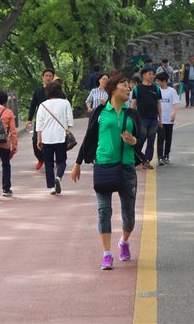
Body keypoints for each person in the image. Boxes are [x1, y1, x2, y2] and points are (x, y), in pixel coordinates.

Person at [70, 74, 145, 270]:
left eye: (129, 87)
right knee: (104, 211)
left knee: (128, 214)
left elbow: (142, 138)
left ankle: (124, 242)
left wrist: (134, 141)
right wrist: (78, 163)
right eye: (124, 85)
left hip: (127, 167)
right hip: (102, 165)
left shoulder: (132, 114)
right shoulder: (100, 112)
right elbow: (89, 138)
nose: (129, 89)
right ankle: (107, 253)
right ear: (112, 89)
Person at [35, 81, 74, 195]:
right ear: (60, 90)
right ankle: (58, 177)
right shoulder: (65, 103)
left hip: (47, 138)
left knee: (48, 163)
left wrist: (38, 139)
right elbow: (69, 122)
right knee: (62, 161)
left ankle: (51, 186)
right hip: (61, 136)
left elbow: (39, 124)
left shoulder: (42, 105)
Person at [132, 67, 162, 170]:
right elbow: (133, 104)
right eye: (150, 74)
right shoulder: (137, 89)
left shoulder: (156, 88)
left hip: (153, 119)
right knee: (140, 140)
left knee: (151, 141)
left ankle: (147, 161)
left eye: (153, 74)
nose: (152, 76)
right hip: (141, 120)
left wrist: (160, 119)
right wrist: (131, 119)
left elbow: (159, 105)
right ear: (144, 75)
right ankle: (138, 158)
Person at [26, 69, 55, 171]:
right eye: (46, 76)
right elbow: (33, 105)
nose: (48, 78)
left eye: (50, 76)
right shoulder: (38, 91)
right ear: (42, 77)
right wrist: (29, 119)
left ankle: (57, 159)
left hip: (53, 120)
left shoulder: (57, 90)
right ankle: (40, 159)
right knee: (35, 140)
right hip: (40, 119)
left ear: (53, 77)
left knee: (55, 140)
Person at [155, 73, 180, 165]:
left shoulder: (172, 91)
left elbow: (175, 103)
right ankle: (160, 157)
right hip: (160, 119)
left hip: (169, 119)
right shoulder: (156, 90)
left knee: (168, 138)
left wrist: (174, 114)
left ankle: (166, 155)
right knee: (160, 138)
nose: (157, 83)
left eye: (158, 81)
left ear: (164, 81)